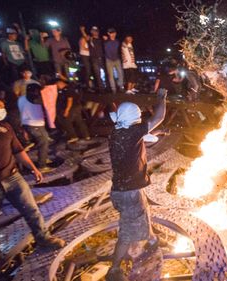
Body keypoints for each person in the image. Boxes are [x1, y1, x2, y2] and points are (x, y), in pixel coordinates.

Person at [0, 96, 65, 264]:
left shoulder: (5, 126)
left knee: (31, 209)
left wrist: (33, 167)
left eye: (3, 107)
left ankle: (43, 238)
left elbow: (18, 150)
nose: (1, 111)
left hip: (13, 178)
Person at [106, 89, 167, 281]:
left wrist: (156, 132)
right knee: (127, 234)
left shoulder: (117, 132)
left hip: (121, 190)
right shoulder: (131, 132)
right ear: (134, 119)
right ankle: (114, 270)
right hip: (129, 192)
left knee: (144, 211)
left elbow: (139, 136)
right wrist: (161, 98)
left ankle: (151, 240)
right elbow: (159, 116)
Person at [18, 84, 52, 172]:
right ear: (34, 91)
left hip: (27, 123)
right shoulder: (33, 98)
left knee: (41, 142)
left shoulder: (21, 98)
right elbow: (43, 102)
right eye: (38, 90)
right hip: (35, 124)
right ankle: (42, 165)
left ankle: (42, 158)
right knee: (43, 142)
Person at [55, 79, 90, 143]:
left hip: (72, 108)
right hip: (77, 106)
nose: (57, 87)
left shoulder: (67, 89)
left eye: (57, 85)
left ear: (60, 83)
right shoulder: (70, 87)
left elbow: (70, 100)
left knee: (66, 122)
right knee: (79, 121)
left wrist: (67, 110)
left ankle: (73, 136)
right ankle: (86, 135)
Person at [80, 26, 104, 92]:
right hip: (94, 59)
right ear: (91, 32)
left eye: (96, 31)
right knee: (97, 74)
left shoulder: (101, 39)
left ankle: (107, 87)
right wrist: (82, 30)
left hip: (102, 58)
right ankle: (101, 88)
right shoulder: (90, 39)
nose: (95, 32)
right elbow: (85, 36)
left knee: (106, 73)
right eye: (93, 31)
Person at [104, 28, 124, 94]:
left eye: (114, 33)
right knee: (111, 75)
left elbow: (119, 50)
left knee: (120, 73)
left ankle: (120, 86)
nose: (112, 34)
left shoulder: (117, 41)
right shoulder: (105, 41)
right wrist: (106, 39)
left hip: (117, 59)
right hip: (108, 60)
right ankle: (113, 89)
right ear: (108, 34)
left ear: (115, 33)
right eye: (111, 33)